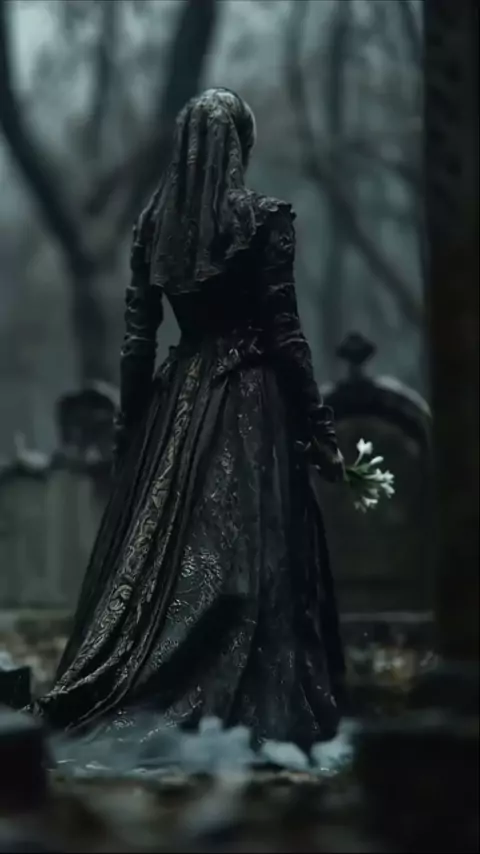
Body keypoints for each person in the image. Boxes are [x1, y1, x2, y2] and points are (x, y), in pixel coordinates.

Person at [31, 88, 346, 747]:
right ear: (239, 147)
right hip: (251, 401)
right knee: (251, 553)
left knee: (173, 561)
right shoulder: (264, 220)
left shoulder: (154, 231)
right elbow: (285, 333)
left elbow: (139, 343)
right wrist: (319, 430)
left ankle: (163, 675)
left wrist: (132, 432)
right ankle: (241, 695)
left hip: (178, 406)